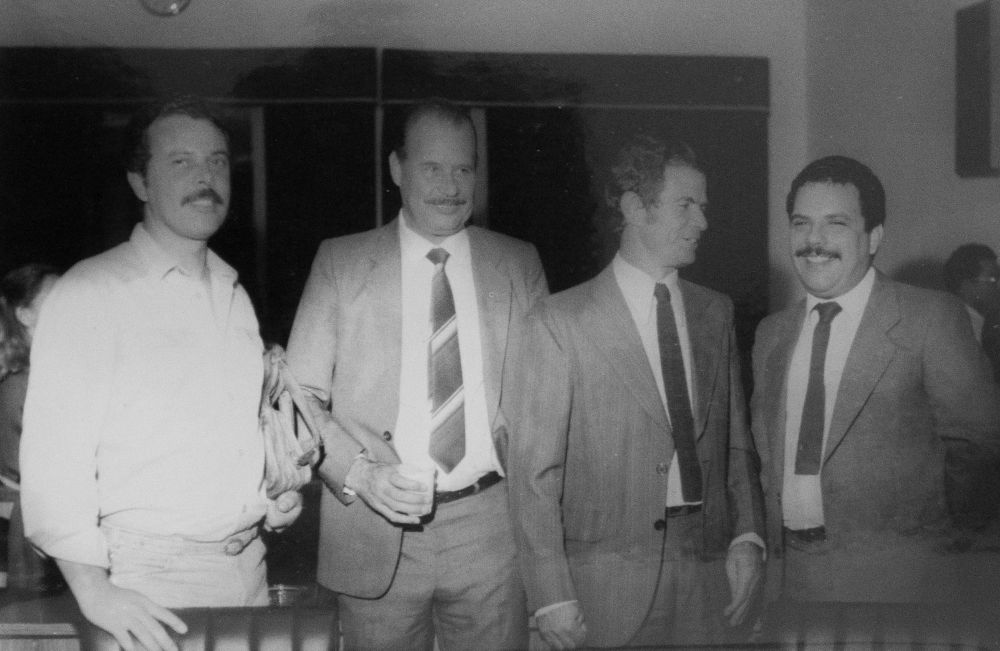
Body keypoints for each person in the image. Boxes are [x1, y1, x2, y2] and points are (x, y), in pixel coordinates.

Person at [20, 97, 302, 651]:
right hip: (149, 585)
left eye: (217, 161)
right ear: (139, 181)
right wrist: (94, 591)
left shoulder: (233, 294)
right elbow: (53, 462)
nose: (206, 177)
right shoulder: (91, 292)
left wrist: (267, 501)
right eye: (181, 162)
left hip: (248, 570)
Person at [286, 99, 548, 650]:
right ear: (397, 169)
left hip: (492, 533)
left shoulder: (518, 262)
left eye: (464, 169)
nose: (451, 187)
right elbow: (298, 398)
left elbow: (547, 402)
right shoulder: (340, 262)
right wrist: (360, 474)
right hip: (374, 530)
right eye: (432, 168)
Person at [508, 134, 765, 648]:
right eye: (685, 205)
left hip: (709, 575)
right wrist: (551, 595)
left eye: (703, 207)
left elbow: (736, 446)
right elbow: (534, 475)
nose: (702, 222)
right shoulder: (561, 321)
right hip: (606, 584)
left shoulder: (716, 312)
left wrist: (748, 535)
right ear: (634, 208)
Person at [751, 155, 1000, 604]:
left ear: (874, 237)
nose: (813, 240)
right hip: (788, 581)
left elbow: (980, 449)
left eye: (836, 224)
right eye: (801, 223)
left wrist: (930, 549)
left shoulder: (930, 318)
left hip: (900, 583)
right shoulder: (771, 334)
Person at [0, 263, 62, 593]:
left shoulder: (44, 373)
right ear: (24, 315)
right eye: (56, 299)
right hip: (26, 526)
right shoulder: (22, 383)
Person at [944, 243, 1000, 377]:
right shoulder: (958, 330)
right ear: (966, 285)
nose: (999, 287)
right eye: (993, 279)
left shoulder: (984, 324)